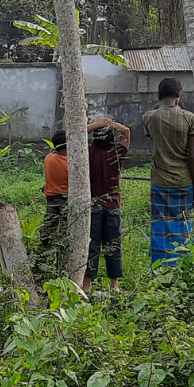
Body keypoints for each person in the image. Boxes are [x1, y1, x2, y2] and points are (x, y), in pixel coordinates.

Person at [142, 78, 194, 266]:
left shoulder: (149, 117)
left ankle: (160, 271)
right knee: (182, 227)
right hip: (183, 182)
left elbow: (154, 139)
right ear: (179, 94)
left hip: (159, 180)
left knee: (159, 226)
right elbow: (192, 157)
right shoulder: (189, 118)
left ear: (159, 95)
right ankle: (181, 269)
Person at [85, 117, 131, 293]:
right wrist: (113, 124)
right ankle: (114, 284)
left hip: (93, 204)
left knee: (92, 244)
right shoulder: (117, 153)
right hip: (112, 205)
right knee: (113, 245)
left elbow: (76, 135)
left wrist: (97, 124)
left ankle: (87, 284)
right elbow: (126, 132)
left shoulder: (88, 152)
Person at [38, 130, 69, 277]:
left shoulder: (48, 158)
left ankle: (39, 265)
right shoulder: (71, 163)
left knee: (47, 234)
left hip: (51, 200)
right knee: (64, 236)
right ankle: (61, 269)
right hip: (66, 201)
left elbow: (55, 151)